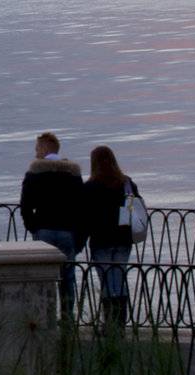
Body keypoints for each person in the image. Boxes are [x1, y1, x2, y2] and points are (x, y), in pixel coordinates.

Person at [19, 131, 85, 315]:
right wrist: (79, 238)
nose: (35, 153)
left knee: (43, 276)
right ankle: (67, 318)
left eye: (37, 148)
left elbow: (25, 205)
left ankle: (45, 316)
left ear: (44, 148)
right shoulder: (73, 174)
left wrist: (33, 227)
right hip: (67, 231)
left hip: (44, 230)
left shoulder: (34, 174)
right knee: (68, 277)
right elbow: (82, 208)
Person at [83, 145, 138, 326]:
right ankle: (120, 322)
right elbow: (133, 208)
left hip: (100, 240)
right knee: (119, 279)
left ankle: (110, 324)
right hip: (123, 238)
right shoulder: (127, 184)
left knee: (107, 282)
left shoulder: (90, 187)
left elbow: (85, 216)